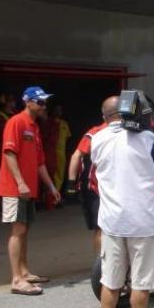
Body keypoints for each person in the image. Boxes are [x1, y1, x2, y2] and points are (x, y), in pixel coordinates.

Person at [91, 90, 154, 308]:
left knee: (110, 280)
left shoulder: (97, 139)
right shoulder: (147, 139)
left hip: (112, 223)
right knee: (141, 283)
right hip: (144, 223)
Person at [0, 87, 61, 296]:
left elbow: (40, 163)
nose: (44, 106)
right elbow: (9, 153)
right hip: (14, 188)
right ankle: (16, 279)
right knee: (18, 230)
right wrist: (20, 183)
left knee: (25, 230)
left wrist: (51, 186)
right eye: (40, 102)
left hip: (28, 189)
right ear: (28, 102)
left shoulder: (34, 127)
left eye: (45, 103)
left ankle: (24, 272)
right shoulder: (16, 122)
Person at [67, 96, 118, 253]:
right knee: (101, 228)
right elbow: (77, 156)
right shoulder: (95, 133)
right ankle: (101, 267)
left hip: (116, 188)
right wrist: (71, 184)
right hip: (96, 190)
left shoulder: (127, 132)